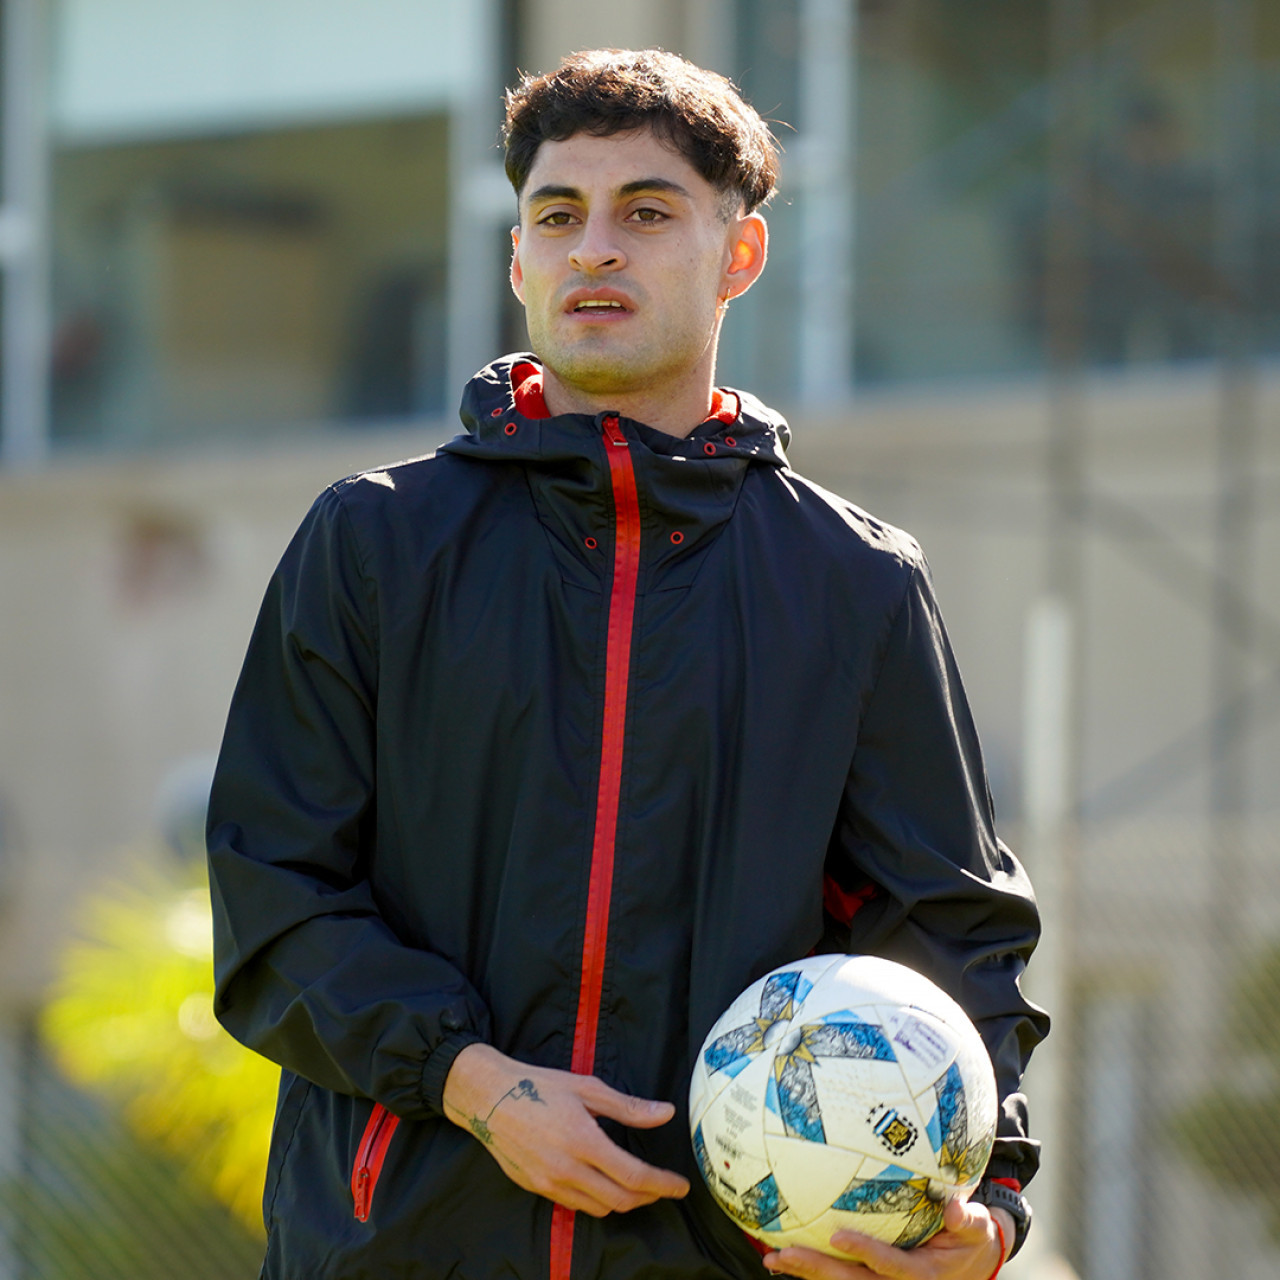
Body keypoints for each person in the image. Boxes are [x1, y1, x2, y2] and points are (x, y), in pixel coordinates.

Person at [208, 48, 1048, 1280]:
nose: (592, 247)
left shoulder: (856, 583)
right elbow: (274, 898)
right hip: (398, 1248)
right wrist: (475, 1084)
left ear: (739, 256)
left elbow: (951, 930)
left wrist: (988, 1209)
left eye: (645, 212)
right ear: (518, 260)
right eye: (558, 215)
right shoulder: (373, 542)